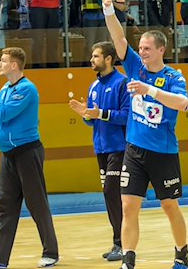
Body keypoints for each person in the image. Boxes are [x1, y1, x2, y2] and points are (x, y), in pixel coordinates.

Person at [100, 0, 188, 269]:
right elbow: (118, 38)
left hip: (163, 153)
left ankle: (181, 254)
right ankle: (128, 260)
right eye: (141, 48)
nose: (143, 52)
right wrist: (108, 8)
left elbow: (182, 104)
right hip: (134, 151)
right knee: (129, 205)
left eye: (148, 48)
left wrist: (149, 91)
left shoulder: (174, 76)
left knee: (169, 206)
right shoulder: (135, 67)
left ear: (161, 49)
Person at [0, 47, 59, 269]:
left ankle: (51, 252)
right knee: (5, 204)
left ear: (14, 65)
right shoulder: (5, 88)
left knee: (37, 204)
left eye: (2, 60)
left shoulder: (26, 89)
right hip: (9, 155)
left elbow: (3, 113)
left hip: (27, 152)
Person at [68, 42, 131, 262]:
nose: (91, 59)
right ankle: (118, 242)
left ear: (108, 59)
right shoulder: (93, 87)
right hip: (101, 149)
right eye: (92, 55)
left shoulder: (122, 83)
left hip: (119, 148)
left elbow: (126, 116)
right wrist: (85, 114)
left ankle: (124, 244)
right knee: (109, 196)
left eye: (96, 56)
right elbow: (93, 121)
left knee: (112, 194)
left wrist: (100, 113)